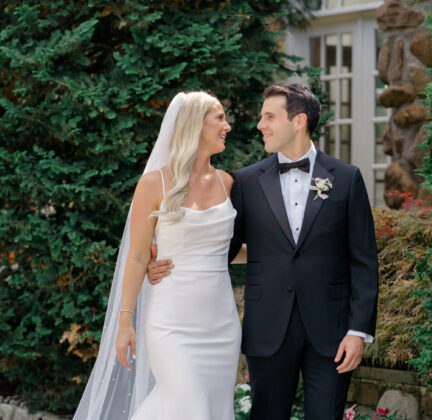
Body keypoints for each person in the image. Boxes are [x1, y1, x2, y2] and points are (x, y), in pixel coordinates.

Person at [148, 83, 379, 419]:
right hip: (268, 331)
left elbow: (363, 261)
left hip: (331, 334)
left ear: (298, 122)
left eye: (269, 117)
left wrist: (358, 332)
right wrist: (164, 258)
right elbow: (219, 248)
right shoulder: (245, 182)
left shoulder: (346, 179)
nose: (260, 125)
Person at [74, 91, 241, 420]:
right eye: (220, 118)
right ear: (195, 124)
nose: (228, 126)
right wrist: (125, 321)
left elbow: (227, 251)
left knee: (210, 410)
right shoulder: (153, 184)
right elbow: (137, 257)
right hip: (172, 322)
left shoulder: (227, 183)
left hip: (221, 325)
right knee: (188, 403)